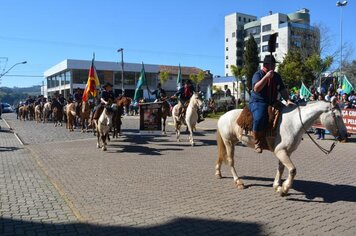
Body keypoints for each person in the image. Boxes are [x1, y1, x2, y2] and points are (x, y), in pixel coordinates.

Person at [249, 55, 294, 153]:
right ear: (266, 65)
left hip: (273, 101)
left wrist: (287, 100)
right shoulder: (258, 74)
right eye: (272, 65)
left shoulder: (277, 76)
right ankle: (257, 141)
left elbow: (282, 89)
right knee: (259, 117)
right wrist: (266, 77)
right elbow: (256, 88)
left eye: (274, 65)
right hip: (258, 101)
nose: (274, 67)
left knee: (289, 112)